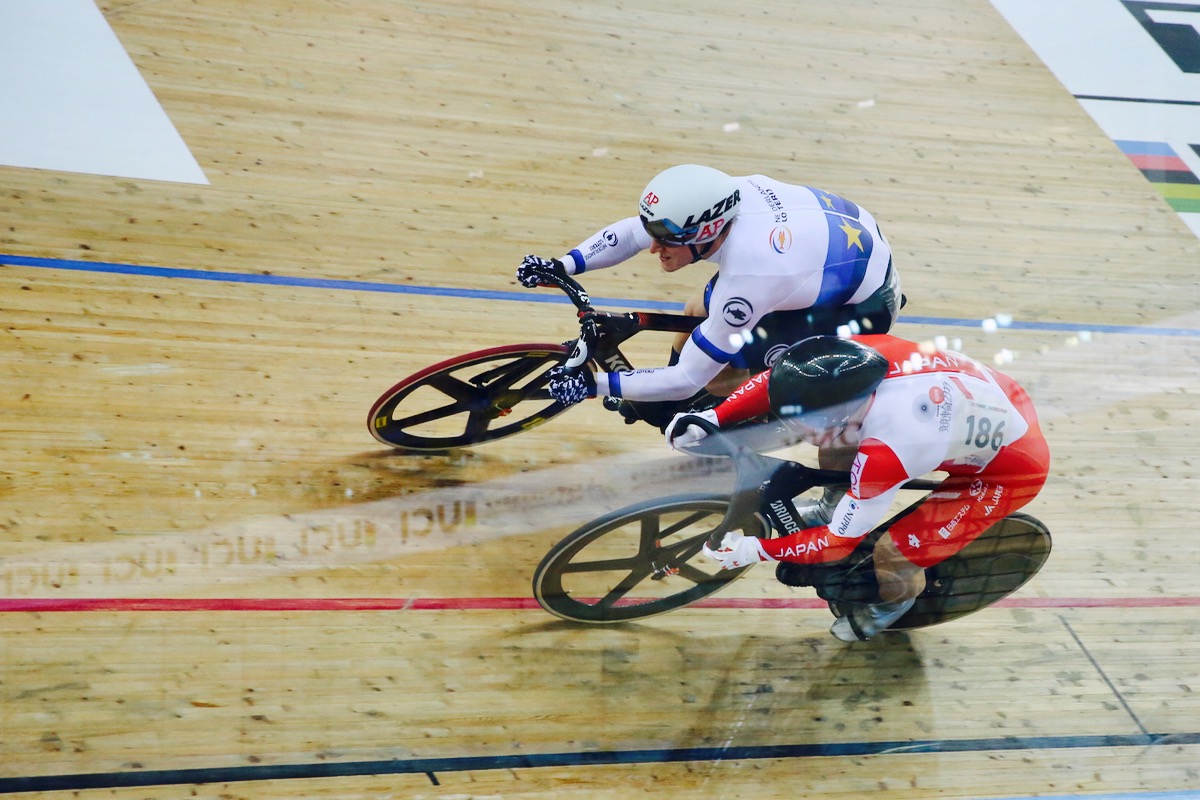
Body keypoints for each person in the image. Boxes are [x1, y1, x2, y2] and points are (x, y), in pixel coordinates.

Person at [664, 334, 1050, 642]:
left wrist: (757, 549)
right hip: (988, 398)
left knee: (893, 555)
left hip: (1009, 468)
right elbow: (784, 379)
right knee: (834, 442)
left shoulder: (890, 449)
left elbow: (838, 543)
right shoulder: (857, 357)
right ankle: (835, 502)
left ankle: (891, 608)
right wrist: (711, 415)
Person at [515, 164, 903, 424]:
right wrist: (565, 264)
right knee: (697, 311)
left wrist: (595, 385)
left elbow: (686, 377)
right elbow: (635, 232)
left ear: (706, 233)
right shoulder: (716, 200)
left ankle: (724, 420)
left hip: (859, 305)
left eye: (666, 242)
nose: (653, 249)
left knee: (725, 369)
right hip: (824, 257)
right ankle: (666, 406)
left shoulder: (751, 276)